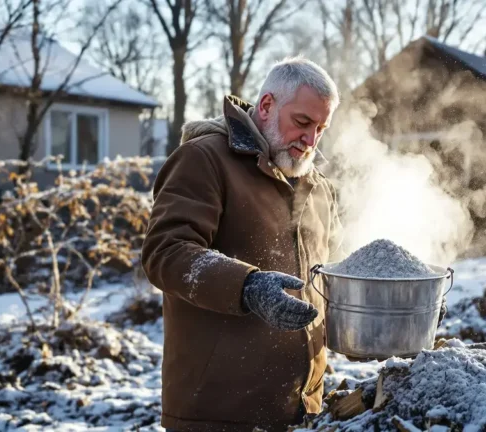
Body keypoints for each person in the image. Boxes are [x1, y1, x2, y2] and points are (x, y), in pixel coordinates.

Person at [141, 56, 344, 432]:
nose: (311, 140)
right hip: (219, 412)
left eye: (321, 128)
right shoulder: (204, 160)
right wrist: (247, 286)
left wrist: (370, 313)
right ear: (267, 105)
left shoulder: (317, 186)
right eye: (302, 122)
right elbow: (165, 251)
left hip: (301, 410)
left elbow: (329, 274)